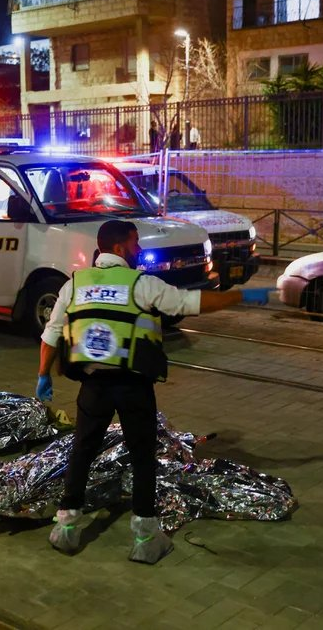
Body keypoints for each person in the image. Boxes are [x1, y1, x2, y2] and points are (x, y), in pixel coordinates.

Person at [35, 219, 272, 564]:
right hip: (133, 386)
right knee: (142, 456)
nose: (139, 250)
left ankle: (67, 529)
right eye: (135, 243)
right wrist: (241, 296)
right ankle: (146, 538)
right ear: (119, 248)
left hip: (93, 386)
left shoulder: (75, 284)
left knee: (82, 451)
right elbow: (191, 303)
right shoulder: (142, 285)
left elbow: (51, 334)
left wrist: (44, 375)